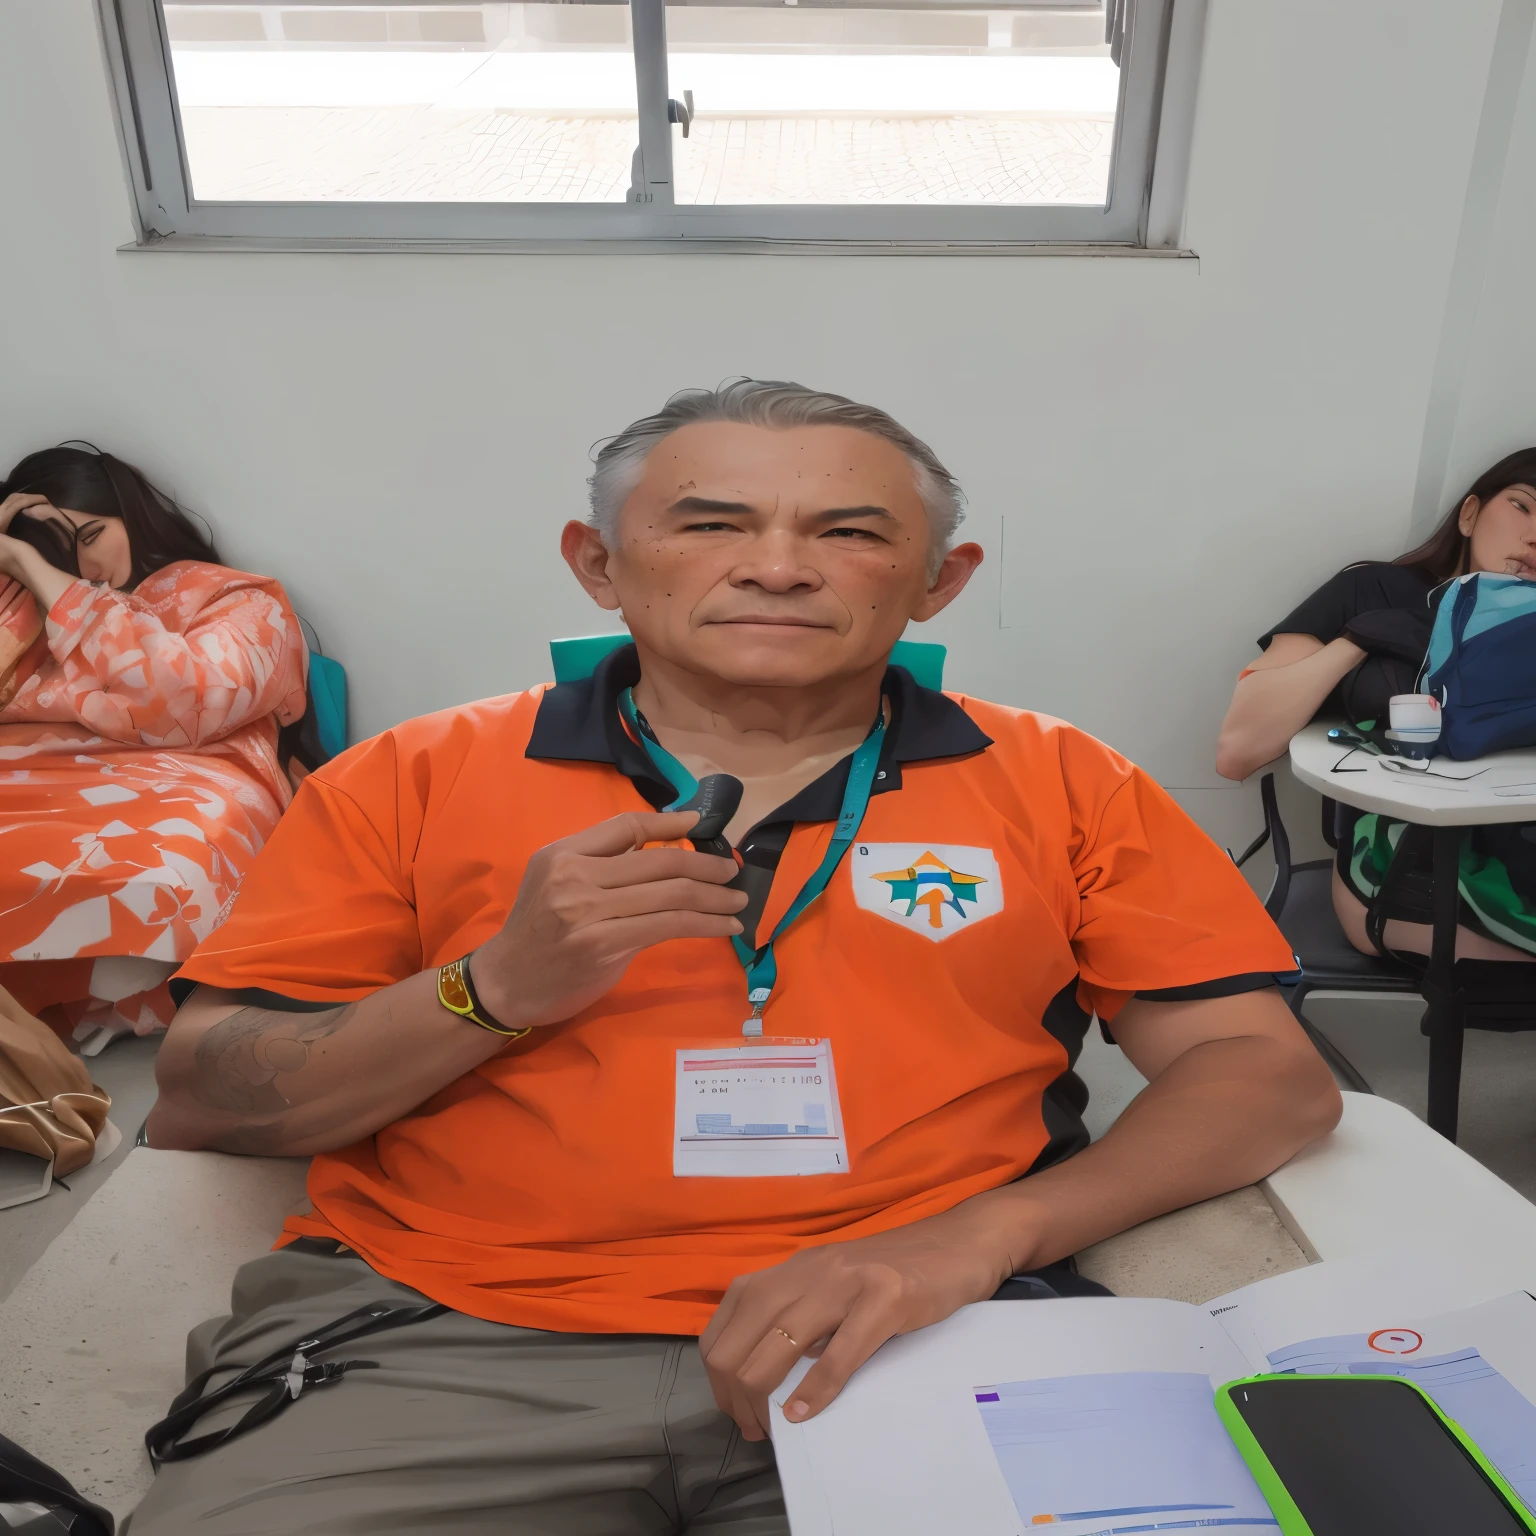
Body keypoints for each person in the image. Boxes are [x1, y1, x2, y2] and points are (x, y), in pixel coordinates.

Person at [133, 381, 1340, 1536]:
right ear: (597, 563)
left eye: (851, 531)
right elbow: (205, 1091)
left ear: (939, 581)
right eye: (711, 523)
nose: (776, 565)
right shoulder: (409, 778)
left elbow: (1267, 1075)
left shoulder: (1068, 783)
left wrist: (981, 1239)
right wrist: (491, 988)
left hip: (914, 1324)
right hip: (446, 1336)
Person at [0, 444, 308, 1043]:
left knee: (167, 869)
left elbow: (184, 702)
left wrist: (49, 579)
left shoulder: (235, 599)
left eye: (92, 534)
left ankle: (78, 994)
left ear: (130, 512)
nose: (86, 567)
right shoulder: (17, 614)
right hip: (23, 777)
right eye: (61, 552)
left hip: (173, 775)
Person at [1216, 446, 1536, 961]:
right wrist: (1358, 640)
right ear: (1471, 513)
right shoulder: (1374, 589)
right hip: (1405, 870)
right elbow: (1238, 749)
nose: (1533, 536)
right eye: (1522, 506)